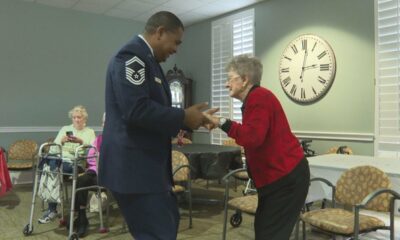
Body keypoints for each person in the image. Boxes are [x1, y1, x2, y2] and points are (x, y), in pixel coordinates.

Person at [98, 11, 215, 240]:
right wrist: (183, 117)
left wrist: (191, 118)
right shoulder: (132, 57)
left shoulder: (147, 60)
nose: (176, 49)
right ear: (160, 32)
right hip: (135, 170)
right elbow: (136, 110)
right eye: (176, 42)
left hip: (146, 171)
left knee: (166, 224)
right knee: (158, 232)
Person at [204, 55, 310, 240]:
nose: (226, 84)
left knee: (270, 233)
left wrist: (221, 121)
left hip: (286, 179)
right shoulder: (256, 99)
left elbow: (252, 138)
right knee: (265, 230)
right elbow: (253, 134)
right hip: (278, 179)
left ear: (244, 80)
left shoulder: (259, 97)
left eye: (230, 78)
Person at [38, 105, 96, 224]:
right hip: (61, 161)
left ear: (84, 119)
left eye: (79, 117)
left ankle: (52, 210)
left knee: (51, 168)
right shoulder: (65, 129)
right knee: (53, 165)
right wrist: (61, 142)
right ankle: (52, 209)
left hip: (76, 164)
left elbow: (92, 152)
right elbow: (54, 149)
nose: (76, 120)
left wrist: (81, 142)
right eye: (74, 117)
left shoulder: (90, 132)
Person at [68, 113, 105, 237]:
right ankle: (82, 216)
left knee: (81, 182)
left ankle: (79, 217)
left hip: (108, 175)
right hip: (94, 171)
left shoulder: (118, 140)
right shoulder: (98, 139)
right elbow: (90, 158)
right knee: (81, 180)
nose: (105, 125)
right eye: (103, 123)